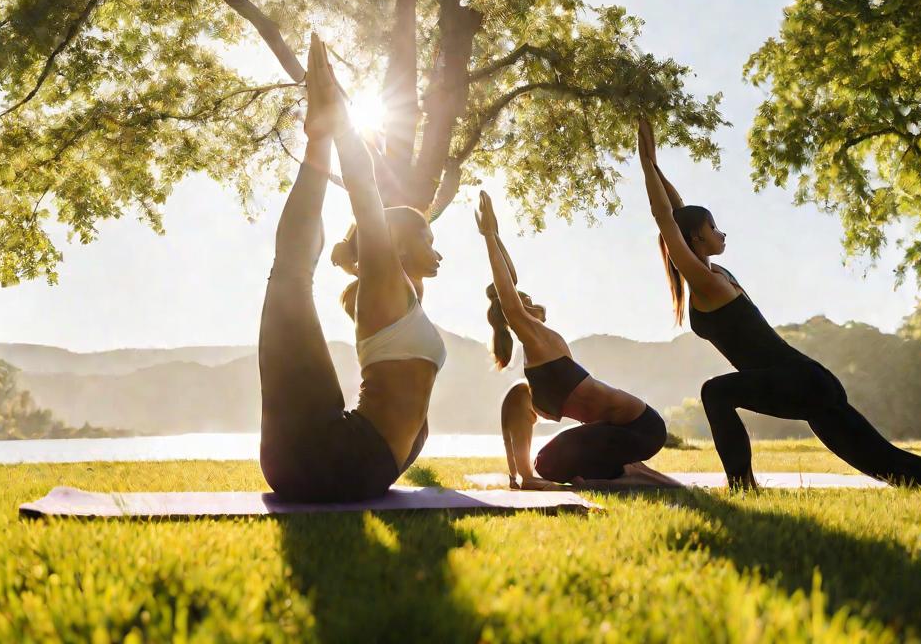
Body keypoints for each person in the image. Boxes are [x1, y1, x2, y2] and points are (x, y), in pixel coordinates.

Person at [637, 115, 921, 493]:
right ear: (697, 238)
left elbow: (670, 218)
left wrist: (649, 163)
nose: (721, 232)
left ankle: (743, 487)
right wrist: (651, 162)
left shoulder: (711, 280)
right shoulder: (707, 278)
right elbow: (672, 217)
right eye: (713, 228)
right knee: (879, 459)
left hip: (801, 381)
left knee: (717, 393)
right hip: (799, 380)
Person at [258, 34, 445, 502]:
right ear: (395, 246)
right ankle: (316, 144)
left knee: (296, 275)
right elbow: (364, 187)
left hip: (362, 465)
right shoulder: (384, 283)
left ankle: (321, 136)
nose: (438, 251)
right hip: (323, 455)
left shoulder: (407, 300)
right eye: (428, 238)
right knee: (291, 278)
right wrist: (338, 122)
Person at [476, 190, 669, 488]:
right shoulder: (533, 356)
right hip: (618, 430)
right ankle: (619, 471)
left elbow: (508, 292)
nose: (528, 302)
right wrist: (493, 236)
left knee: (550, 463)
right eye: (522, 300)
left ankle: (631, 473)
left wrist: (491, 236)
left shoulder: (541, 340)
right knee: (542, 450)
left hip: (642, 428)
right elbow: (508, 291)